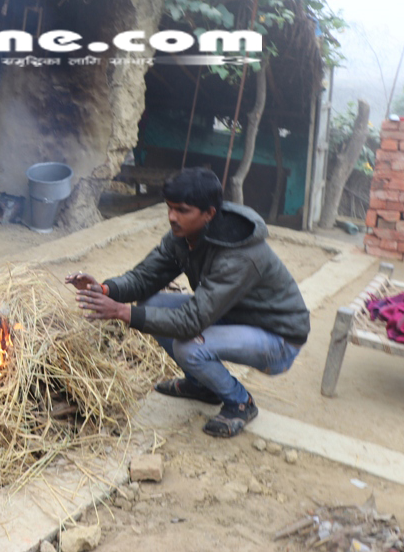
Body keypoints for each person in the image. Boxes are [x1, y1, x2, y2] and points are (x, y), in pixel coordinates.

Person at [67, 168, 309, 438]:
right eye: (169, 208)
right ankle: (201, 386)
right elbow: (145, 276)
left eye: (182, 210)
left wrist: (122, 312)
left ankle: (240, 403)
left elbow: (191, 322)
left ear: (209, 214)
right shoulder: (183, 237)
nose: (172, 217)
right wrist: (105, 288)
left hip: (278, 339)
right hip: (234, 316)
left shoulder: (240, 255)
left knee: (189, 347)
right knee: (151, 302)